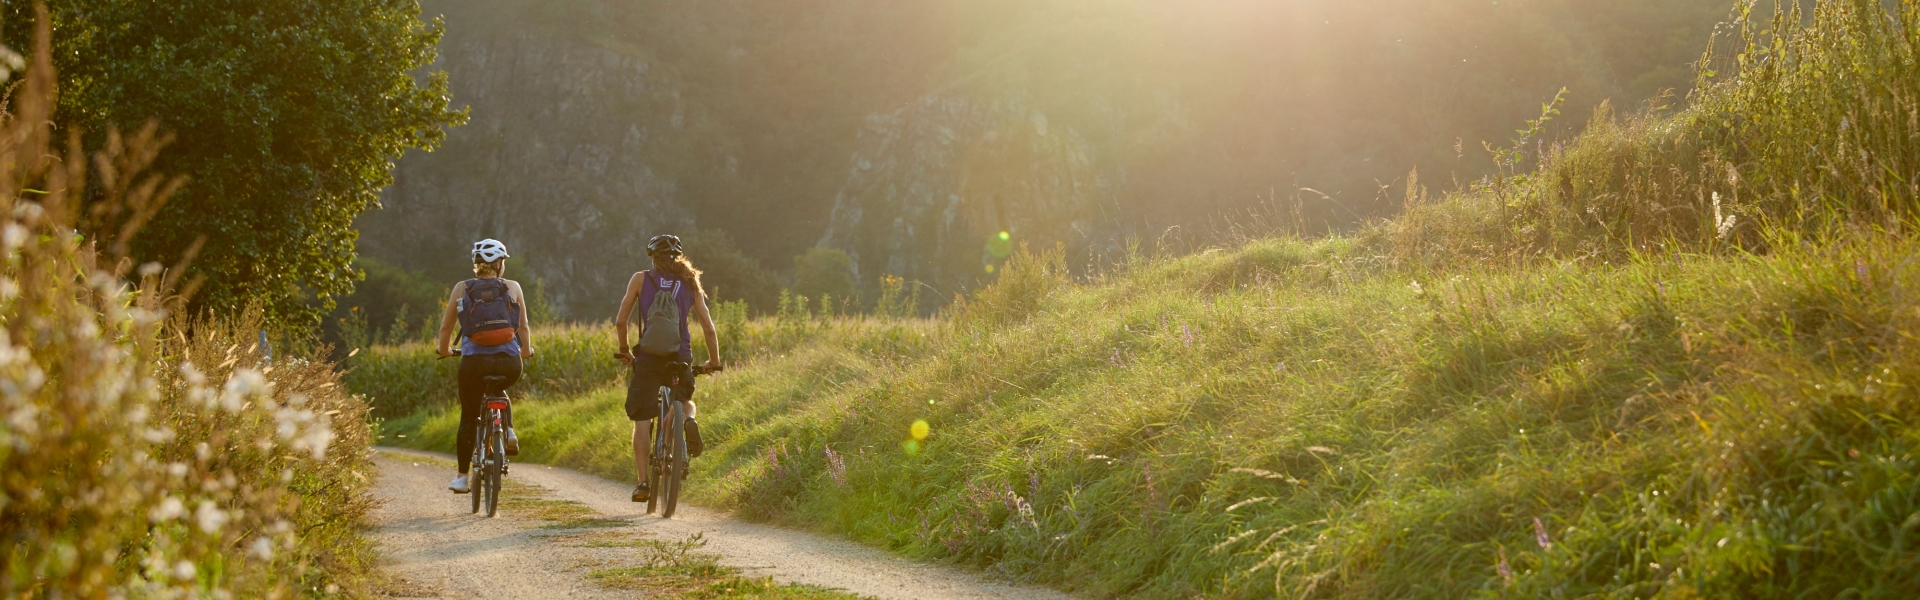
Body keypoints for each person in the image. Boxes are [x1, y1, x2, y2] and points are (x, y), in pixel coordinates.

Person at [614, 234, 722, 502]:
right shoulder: (690, 282)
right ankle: (688, 420)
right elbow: (708, 328)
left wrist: (626, 351)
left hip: (648, 358)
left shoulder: (641, 278)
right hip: (679, 355)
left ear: (652, 257)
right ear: (679, 258)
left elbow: (620, 321)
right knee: (685, 400)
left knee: (642, 420)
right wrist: (714, 361)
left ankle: (642, 483)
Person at [436, 239, 536, 494]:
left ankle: (460, 478)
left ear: (477, 265)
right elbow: (522, 327)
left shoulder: (462, 288)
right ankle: (509, 429)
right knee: (498, 387)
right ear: (500, 264)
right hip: (510, 364)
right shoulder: (512, 287)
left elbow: (446, 327)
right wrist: (525, 351)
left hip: (473, 363)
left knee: (469, 416)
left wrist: (444, 350)